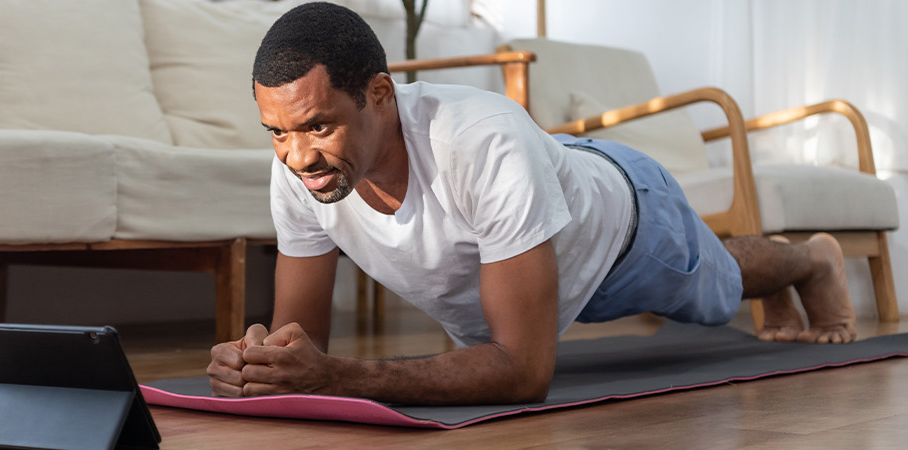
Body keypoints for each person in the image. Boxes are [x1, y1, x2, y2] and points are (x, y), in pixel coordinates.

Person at [208, 2, 858, 406]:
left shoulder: (479, 141)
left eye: (318, 126)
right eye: (278, 132)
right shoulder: (298, 171)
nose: (296, 157)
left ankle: (810, 263)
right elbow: (304, 344)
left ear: (380, 94)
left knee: (714, 290)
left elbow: (523, 373)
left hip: (623, 226)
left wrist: (338, 376)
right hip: (535, 219)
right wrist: (262, 360)